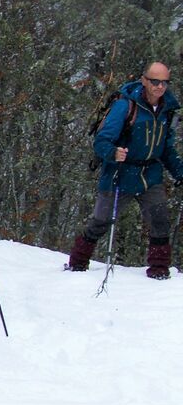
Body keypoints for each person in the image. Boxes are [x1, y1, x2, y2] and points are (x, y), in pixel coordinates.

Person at [67, 61, 183, 278]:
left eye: (165, 82)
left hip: (150, 175)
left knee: (160, 220)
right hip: (119, 173)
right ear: (144, 80)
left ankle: (159, 270)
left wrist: (180, 172)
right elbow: (102, 140)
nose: (160, 87)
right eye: (155, 81)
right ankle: (77, 263)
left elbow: (166, 149)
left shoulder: (167, 110)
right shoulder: (125, 105)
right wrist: (113, 153)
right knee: (101, 221)